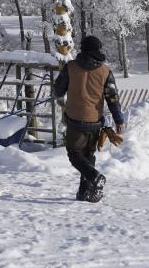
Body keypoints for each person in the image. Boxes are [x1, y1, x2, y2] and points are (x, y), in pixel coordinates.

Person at [53, 35, 125, 203]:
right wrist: (118, 119)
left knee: (74, 154)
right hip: (94, 122)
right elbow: (112, 98)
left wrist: (63, 93)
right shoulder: (105, 71)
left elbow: (58, 91)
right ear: (98, 49)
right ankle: (85, 193)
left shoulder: (70, 67)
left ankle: (94, 176)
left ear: (83, 48)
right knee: (88, 154)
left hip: (75, 120)